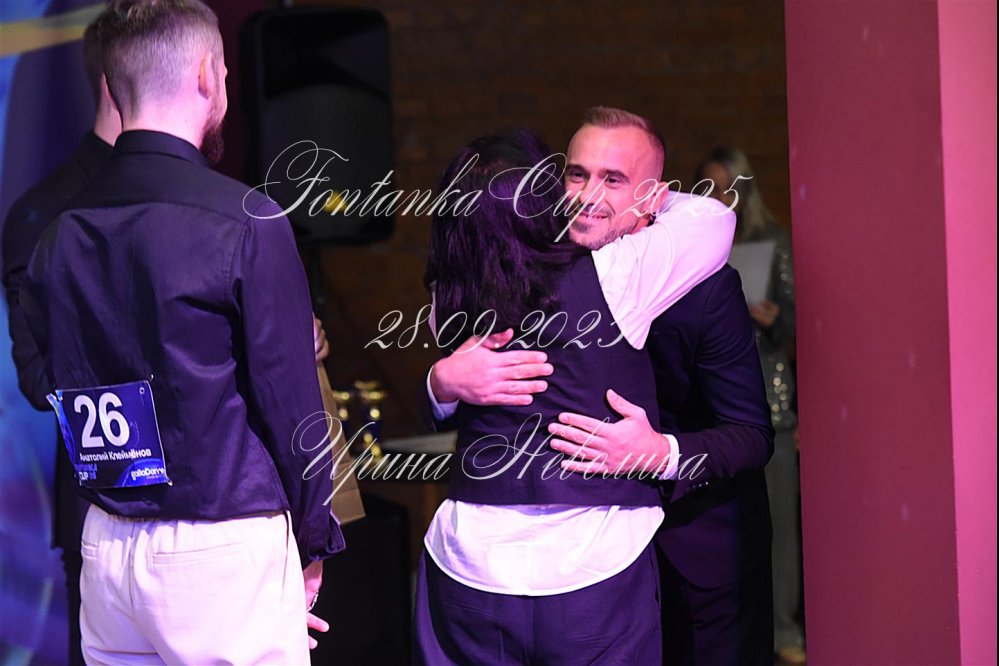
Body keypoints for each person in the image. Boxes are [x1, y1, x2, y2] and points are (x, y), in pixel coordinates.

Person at [21, 1, 343, 662]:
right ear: (205, 73)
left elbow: (56, 383)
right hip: (221, 543)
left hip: (106, 544)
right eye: (222, 70)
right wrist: (314, 538)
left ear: (112, 87)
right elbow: (293, 408)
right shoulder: (245, 219)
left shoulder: (58, 234)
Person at [428, 107, 775, 665]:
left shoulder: (704, 285)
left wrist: (661, 454)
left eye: (612, 179)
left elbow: (752, 435)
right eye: (576, 174)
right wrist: (440, 382)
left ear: (654, 198)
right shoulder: (510, 275)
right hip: (570, 570)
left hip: (695, 552)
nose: (587, 194)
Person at [1, 11, 120, 664]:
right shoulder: (44, 212)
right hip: (101, 512)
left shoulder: (217, 204)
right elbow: (38, 376)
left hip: (215, 524)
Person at [696, 146, 803, 665]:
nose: (718, 197)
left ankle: (785, 630)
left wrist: (773, 318)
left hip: (770, 398)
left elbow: (803, 324)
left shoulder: (774, 242)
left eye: (726, 187)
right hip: (714, 408)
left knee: (779, 526)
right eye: (708, 187)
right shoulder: (696, 244)